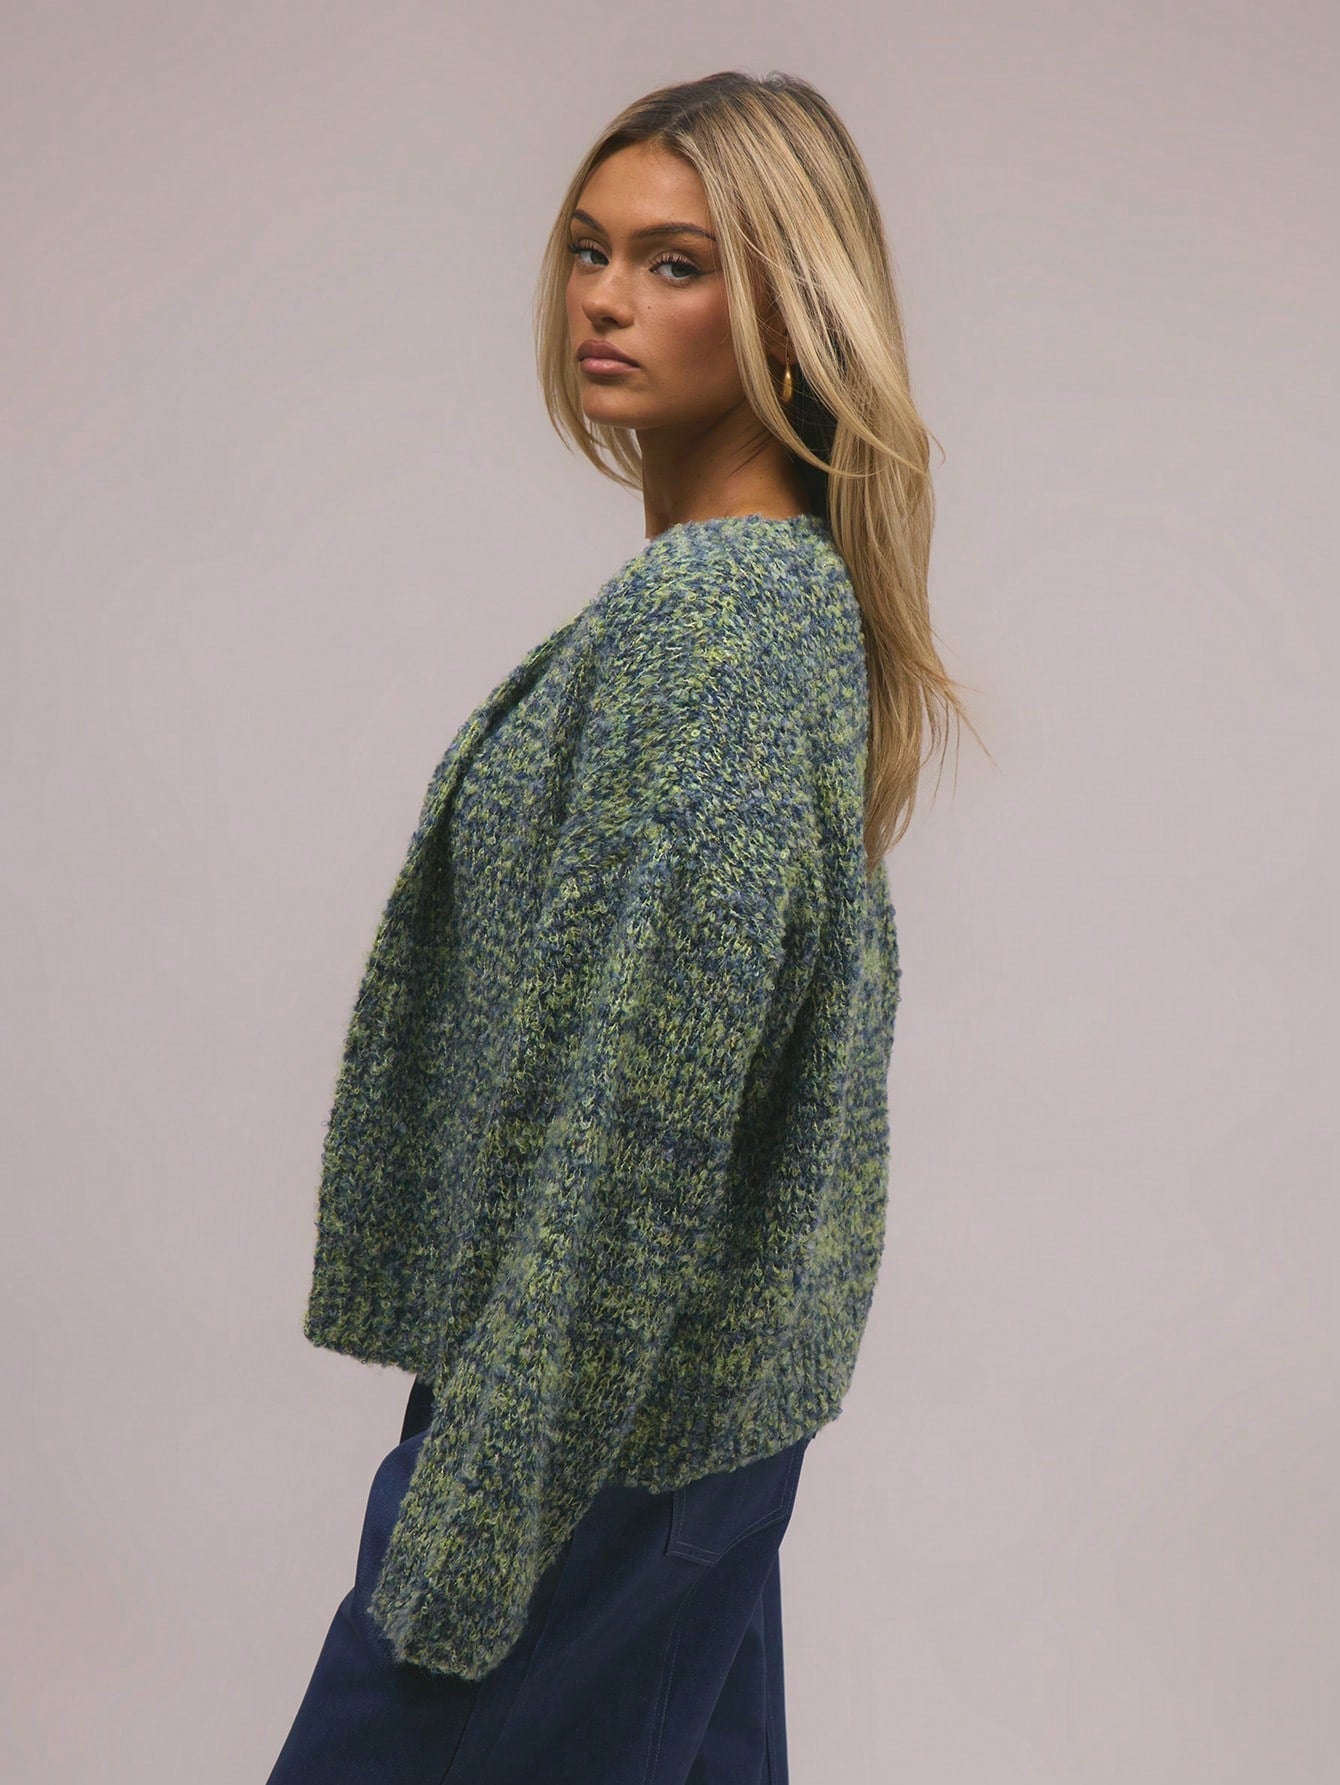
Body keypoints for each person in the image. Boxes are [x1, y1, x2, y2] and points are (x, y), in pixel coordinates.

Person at [267, 67, 981, 1785]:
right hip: (680, 1424)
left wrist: (482, 1507)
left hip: (586, 1432)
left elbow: (641, 1111)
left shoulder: (716, 629)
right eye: (590, 249)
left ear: (792, 310)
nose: (604, 296)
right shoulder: (775, 603)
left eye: (677, 264)